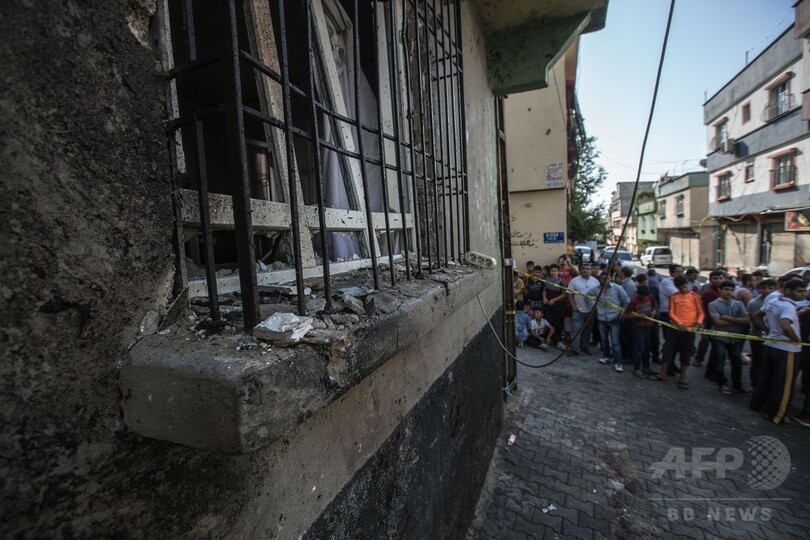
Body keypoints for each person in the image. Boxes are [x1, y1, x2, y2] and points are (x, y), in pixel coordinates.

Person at [750, 279, 808, 424]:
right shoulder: (788, 306)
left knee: (766, 377)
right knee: (784, 384)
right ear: (788, 291)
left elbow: (757, 316)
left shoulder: (774, 301)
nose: (803, 294)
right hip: (786, 349)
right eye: (799, 291)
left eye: (804, 291)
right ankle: (777, 415)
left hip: (771, 345)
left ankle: (757, 404)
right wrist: (796, 340)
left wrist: (767, 330)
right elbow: (785, 325)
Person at [654, 276, 703, 389]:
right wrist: (679, 323)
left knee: (685, 353)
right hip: (675, 328)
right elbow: (671, 313)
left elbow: (700, 312)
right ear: (676, 287)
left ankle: (682, 377)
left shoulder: (695, 297)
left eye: (685, 287)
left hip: (689, 329)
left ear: (687, 284)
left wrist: (699, 322)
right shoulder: (674, 297)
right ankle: (662, 373)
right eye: (681, 288)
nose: (684, 290)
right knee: (668, 350)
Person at [709, 280, 751, 395]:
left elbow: (747, 320)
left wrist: (727, 318)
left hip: (735, 337)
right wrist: (737, 320)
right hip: (719, 336)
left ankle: (737, 385)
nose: (729, 292)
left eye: (731, 290)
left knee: (736, 362)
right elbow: (717, 322)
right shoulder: (713, 304)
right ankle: (722, 384)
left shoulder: (739, 304)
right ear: (720, 290)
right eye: (726, 289)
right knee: (720, 360)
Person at [589, 272, 630, 372]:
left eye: (607, 278)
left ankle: (618, 363)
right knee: (604, 339)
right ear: (600, 279)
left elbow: (626, 301)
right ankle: (606, 356)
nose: (604, 280)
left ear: (610, 278)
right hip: (602, 318)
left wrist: (621, 313)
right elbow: (588, 296)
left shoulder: (617, 288)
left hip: (614, 318)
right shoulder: (596, 290)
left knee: (615, 342)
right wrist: (595, 306)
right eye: (602, 278)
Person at [747, 279, 777, 388]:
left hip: (772, 338)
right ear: (759, 289)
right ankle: (755, 385)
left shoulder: (776, 302)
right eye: (764, 288)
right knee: (757, 362)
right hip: (758, 336)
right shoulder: (754, 303)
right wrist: (767, 330)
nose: (767, 290)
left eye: (770, 288)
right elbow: (755, 320)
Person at [624, 283, 657, 377]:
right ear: (638, 294)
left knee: (647, 347)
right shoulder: (633, 301)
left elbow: (654, 308)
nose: (645, 298)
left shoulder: (650, 298)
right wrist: (637, 316)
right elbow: (625, 315)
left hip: (648, 325)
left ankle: (646, 366)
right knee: (639, 348)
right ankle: (637, 368)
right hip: (638, 326)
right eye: (643, 296)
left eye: (646, 296)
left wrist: (653, 313)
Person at [566, 263, 599, 356]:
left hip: (591, 310)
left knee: (588, 330)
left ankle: (585, 347)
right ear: (580, 270)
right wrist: (573, 305)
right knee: (576, 330)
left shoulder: (595, 281)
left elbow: (599, 295)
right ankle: (575, 349)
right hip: (578, 309)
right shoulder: (574, 280)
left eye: (588, 269)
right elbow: (569, 293)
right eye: (583, 268)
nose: (585, 270)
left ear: (591, 270)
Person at [659, 264, 685, 373]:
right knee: (670, 342)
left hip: (679, 316)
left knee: (677, 343)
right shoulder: (667, 282)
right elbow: (678, 295)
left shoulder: (682, 283)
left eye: (681, 272)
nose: (680, 274)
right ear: (671, 273)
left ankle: (672, 363)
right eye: (677, 272)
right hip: (667, 314)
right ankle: (666, 365)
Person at [543, 264, 567, 348]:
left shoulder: (561, 282)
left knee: (557, 323)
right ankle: (547, 339)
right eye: (551, 271)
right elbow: (544, 291)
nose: (553, 272)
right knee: (547, 322)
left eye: (555, 271)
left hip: (557, 306)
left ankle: (558, 341)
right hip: (547, 305)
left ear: (558, 272)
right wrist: (544, 298)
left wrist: (554, 300)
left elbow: (564, 294)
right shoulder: (547, 280)